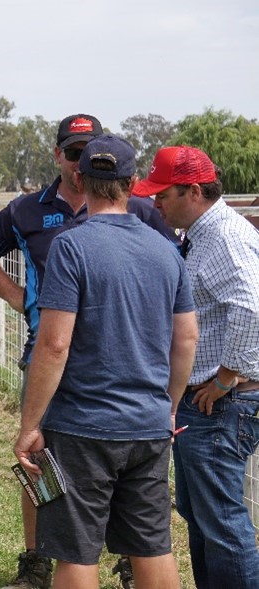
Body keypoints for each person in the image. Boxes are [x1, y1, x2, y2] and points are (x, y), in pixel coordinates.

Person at [0, 113, 174, 589]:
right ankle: (38, 557)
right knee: (42, 464)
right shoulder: (25, 210)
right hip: (51, 361)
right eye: (73, 151)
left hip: (115, 360)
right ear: (59, 155)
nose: (80, 162)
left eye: (88, 152)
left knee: (74, 459)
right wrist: (21, 299)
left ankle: (124, 556)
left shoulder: (136, 213)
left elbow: (169, 271)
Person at [14, 135, 198, 589]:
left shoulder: (71, 247)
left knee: (76, 553)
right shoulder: (166, 251)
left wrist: (30, 425)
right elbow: (187, 338)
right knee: (153, 547)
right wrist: (169, 406)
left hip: (82, 427)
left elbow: (55, 345)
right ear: (134, 183)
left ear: (80, 178)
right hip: (148, 425)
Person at [133, 146, 259, 589]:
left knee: (221, 523)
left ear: (192, 190)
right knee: (205, 517)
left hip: (220, 403)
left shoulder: (223, 236)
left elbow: (251, 306)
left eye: (162, 194)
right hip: (208, 401)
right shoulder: (204, 233)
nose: (155, 203)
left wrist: (225, 379)